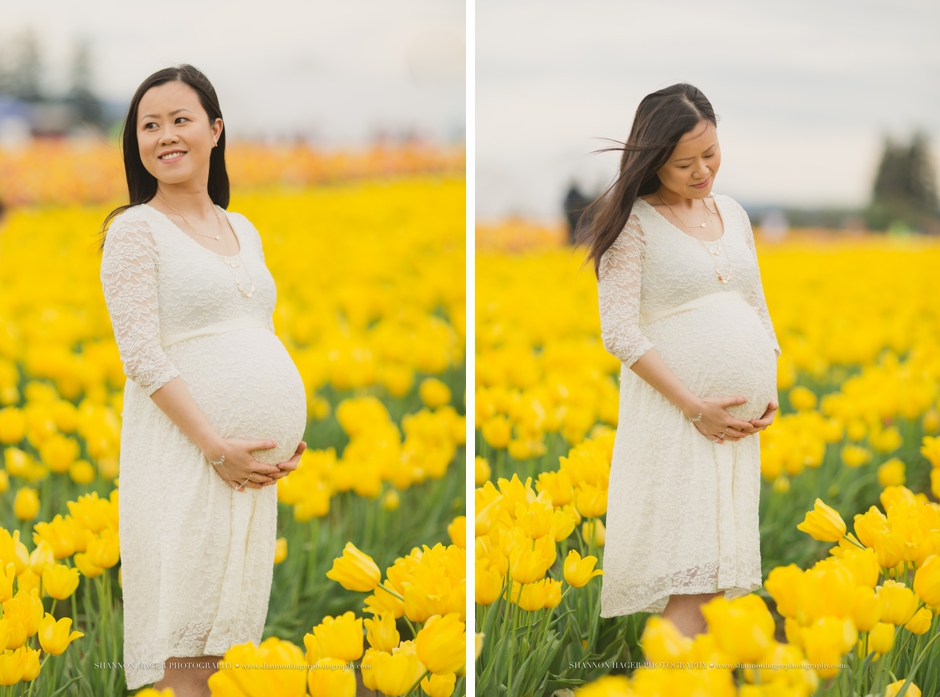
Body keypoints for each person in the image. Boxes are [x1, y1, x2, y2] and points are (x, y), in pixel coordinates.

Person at [98, 64, 309, 696]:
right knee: (185, 643)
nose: (165, 135)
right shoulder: (134, 230)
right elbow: (141, 356)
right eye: (149, 125)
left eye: (180, 120)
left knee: (227, 643)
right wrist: (216, 447)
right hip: (188, 457)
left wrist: (281, 434)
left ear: (215, 130)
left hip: (245, 471)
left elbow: (256, 332)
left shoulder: (243, 229)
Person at [575, 83, 781, 639]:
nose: (702, 171)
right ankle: (671, 677)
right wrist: (694, 406)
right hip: (678, 421)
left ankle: (688, 676)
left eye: (710, 154)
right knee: (693, 583)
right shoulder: (633, 223)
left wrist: (769, 386)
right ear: (652, 161)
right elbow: (619, 332)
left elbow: (755, 307)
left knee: (713, 586)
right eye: (684, 163)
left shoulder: (733, 214)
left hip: (733, 431)